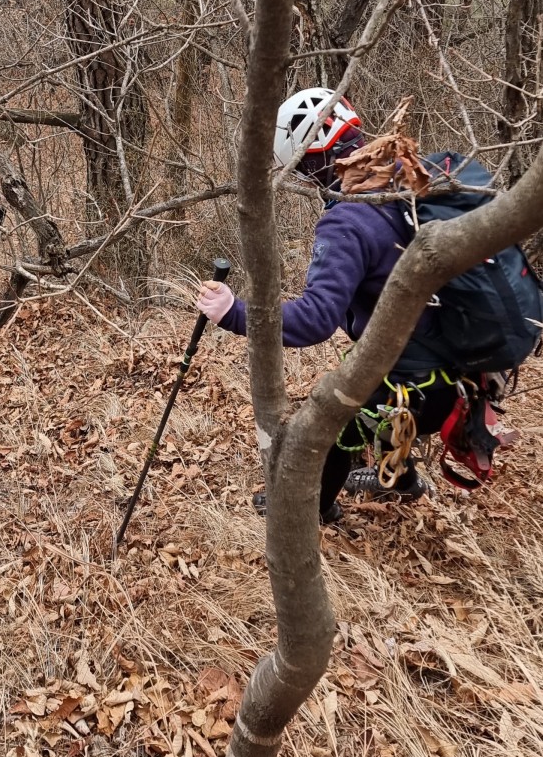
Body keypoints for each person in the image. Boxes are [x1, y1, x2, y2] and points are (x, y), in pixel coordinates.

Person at [196, 89, 515, 523]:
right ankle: (400, 481)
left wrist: (233, 312)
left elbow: (314, 321)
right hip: (465, 372)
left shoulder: (347, 220)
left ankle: (306, 512)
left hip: (422, 386)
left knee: (326, 418)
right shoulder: (411, 178)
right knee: (373, 366)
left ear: (307, 161)